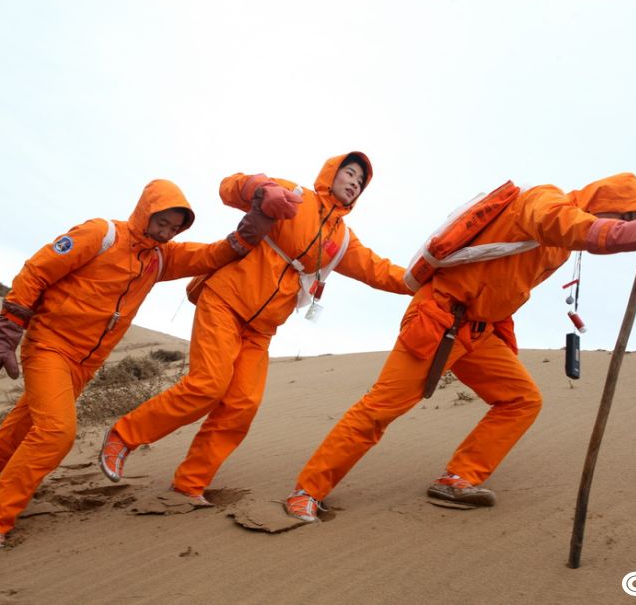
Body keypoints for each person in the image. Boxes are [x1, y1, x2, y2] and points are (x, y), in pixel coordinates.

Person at [284, 172, 636, 522]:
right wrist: (619, 235)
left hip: (479, 332)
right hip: (439, 318)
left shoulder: (564, 245)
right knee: (380, 409)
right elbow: (555, 221)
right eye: (625, 217)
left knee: (521, 399)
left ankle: (459, 478)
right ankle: (307, 493)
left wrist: (627, 232)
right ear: (608, 204)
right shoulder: (545, 199)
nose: (625, 226)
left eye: (632, 223)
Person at [0, 179, 274, 548]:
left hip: (86, 364)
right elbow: (37, 270)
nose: (166, 232)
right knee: (56, 433)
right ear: (146, 210)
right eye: (162, 222)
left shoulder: (161, 257)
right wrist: (6, 333)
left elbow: (215, 254)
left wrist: (258, 220)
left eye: (174, 228)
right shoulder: (101, 234)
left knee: (16, 434)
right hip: (49, 348)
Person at [99, 152, 411, 505]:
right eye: (349, 173)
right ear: (330, 174)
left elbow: (380, 271)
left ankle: (189, 484)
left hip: (262, 329)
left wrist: (424, 276)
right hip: (226, 301)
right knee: (208, 385)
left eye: (361, 181)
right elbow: (228, 187)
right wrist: (260, 188)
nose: (354, 182)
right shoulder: (295, 195)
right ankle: (123, 436)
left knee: (242, 405)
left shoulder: (343, 240)